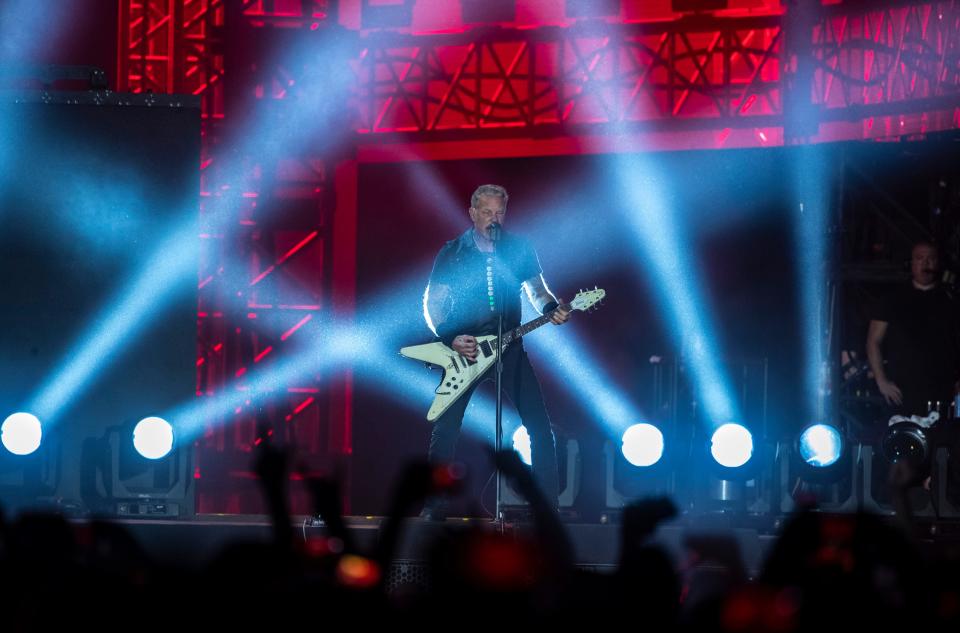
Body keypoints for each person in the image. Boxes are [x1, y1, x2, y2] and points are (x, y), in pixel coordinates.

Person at [420, 184, 570, 520]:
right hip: (466, 348)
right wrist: (449, 336)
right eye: (487, 212)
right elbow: (434, 302)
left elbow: (537, 290)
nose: (494, 219)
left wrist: (550, 309)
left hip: (510, 347)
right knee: (446, 428)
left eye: (499, 212)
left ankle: (548, 506)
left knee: (539, 427)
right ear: (473, 213)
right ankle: (434, 505)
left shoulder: (518, 248)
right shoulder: (453, 252)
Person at [866, 241, 960, 417]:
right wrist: (882, 381)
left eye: (930, 259)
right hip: (902, 392)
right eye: (920, 258)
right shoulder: (892, 299)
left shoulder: (951, 300)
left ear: (938, 263)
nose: (926, 264)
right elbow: (873, 341)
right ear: (912, 263)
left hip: (941, 390)